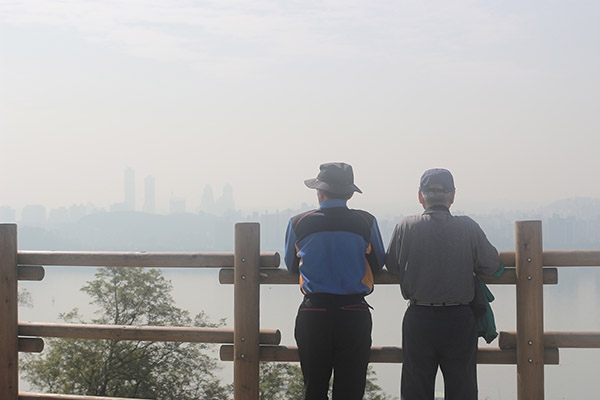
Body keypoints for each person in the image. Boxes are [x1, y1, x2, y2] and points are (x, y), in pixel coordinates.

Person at [385, 168, 503, 400]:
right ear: (452, 196)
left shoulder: (405, 226)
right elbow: (491, 265)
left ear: (420, 196)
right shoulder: (468, 226)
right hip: (459, 318)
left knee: (415, 389)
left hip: (419, 317)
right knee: (463, 389)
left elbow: (391, 265)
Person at [284, 162, 386, 400]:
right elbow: (378, 262)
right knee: (350, 391)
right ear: (350, 193)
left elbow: (291, 265)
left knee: (314, 389)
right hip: (354, 312)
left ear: (320, 191)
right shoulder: (365, 222)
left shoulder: (299, 222)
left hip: (314, 312)